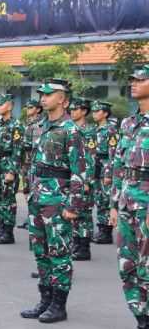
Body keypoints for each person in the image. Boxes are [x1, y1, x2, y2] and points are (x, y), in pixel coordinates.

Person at [20, 78, 86, 323]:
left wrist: (73, 205)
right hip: (39, 195)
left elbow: (81, 170)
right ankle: (45, 298)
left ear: (63, 99)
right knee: (40, 250)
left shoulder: (71, 130)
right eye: (42, 94)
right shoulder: (42, 126)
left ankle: (59, 304)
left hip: (58, 197)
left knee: (58, 251)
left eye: (49, 94)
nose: (43, 98)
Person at [109, 64, 149, 329]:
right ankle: (142, 324)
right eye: (132, 79)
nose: (134, 83)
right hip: (126, 201)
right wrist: (113, 204)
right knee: (128, 265)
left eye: (141, 79)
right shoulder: (128, 123)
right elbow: (118, 166)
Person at [0, 94, 23, 245]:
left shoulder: (16, 125)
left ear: (9, 106)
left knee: (8, 199)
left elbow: (18, 151)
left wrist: (12, 171)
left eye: (1, 104)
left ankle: (8, 232)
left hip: (8, 164)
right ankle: (1, 228)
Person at [69, 97, 96, 260]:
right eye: (71, 109)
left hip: (84, 176)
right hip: (72, 176)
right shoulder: (70, 129)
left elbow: (91, 158)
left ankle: (84, 247)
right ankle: (76, 243)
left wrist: (87, 181)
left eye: (76, 109)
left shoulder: (89, 131)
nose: (72, 112)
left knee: (84, 212)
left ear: (84, 111)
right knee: (73, 209)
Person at [91, 100, 119, 244]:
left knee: (106, 199)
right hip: (96, 167)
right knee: (99, 199)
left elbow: (113, 154)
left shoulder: (111, 130)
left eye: (97, 111)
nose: (94, 114)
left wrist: (108, 174)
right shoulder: (95, 130)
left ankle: (106, 232)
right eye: (93, 111)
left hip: (105, 167)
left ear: (105, 114)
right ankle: (101, 229)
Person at [18, 98, 45, 229]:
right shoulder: (28, 123)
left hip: (34, 163)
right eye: (27, 108)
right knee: (27, 190)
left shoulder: (40, 124)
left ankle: (36, 218)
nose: (28, 110)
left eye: (30, 107)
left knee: (36, 192)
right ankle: (30, 216)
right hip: (26, 163)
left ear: (38, 109)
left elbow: (35, 144)